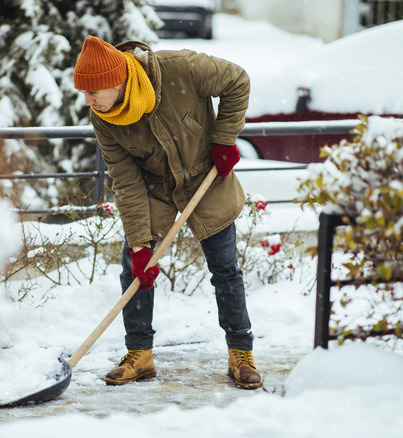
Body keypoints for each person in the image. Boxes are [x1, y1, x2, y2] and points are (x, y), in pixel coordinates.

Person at [72, 35, 261, 389]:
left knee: (224, 269)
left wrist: (224, 139)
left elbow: (237, 80)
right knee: (135, 267)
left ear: (117, 81)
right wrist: (141, 243)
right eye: (84, 93)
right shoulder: (104, 117)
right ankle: (139, 354)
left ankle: (241, 352)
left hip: (207, 176)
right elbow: (125, 181)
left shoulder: (180, 69)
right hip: (155, 190)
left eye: (92, 91)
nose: (88, 101)